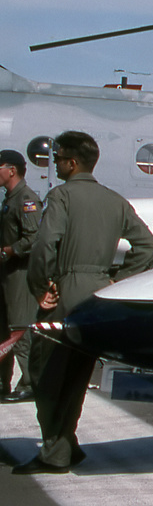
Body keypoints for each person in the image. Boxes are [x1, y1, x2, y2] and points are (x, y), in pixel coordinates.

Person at [13, 132, 153, 475]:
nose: (56, 163)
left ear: (72, 163)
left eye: (59, 158)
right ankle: (67, 445)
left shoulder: (61, 195)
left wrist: (38, 287)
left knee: (44, 374)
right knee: (76, 377)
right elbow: (146, 245)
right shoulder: (114, 199)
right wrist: (117, 281)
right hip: (97, 295)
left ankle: (54, 453)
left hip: (66, 290)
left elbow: (46, 244)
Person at [0, 150, 40, 402]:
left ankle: (29, 383)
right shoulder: (10, 199)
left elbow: (34, 237)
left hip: (19, 274)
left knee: (19, 329)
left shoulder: (26, 199)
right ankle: (3, 381)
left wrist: (10, 251)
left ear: (11, 170)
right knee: (4, 329)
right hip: (7, 274)